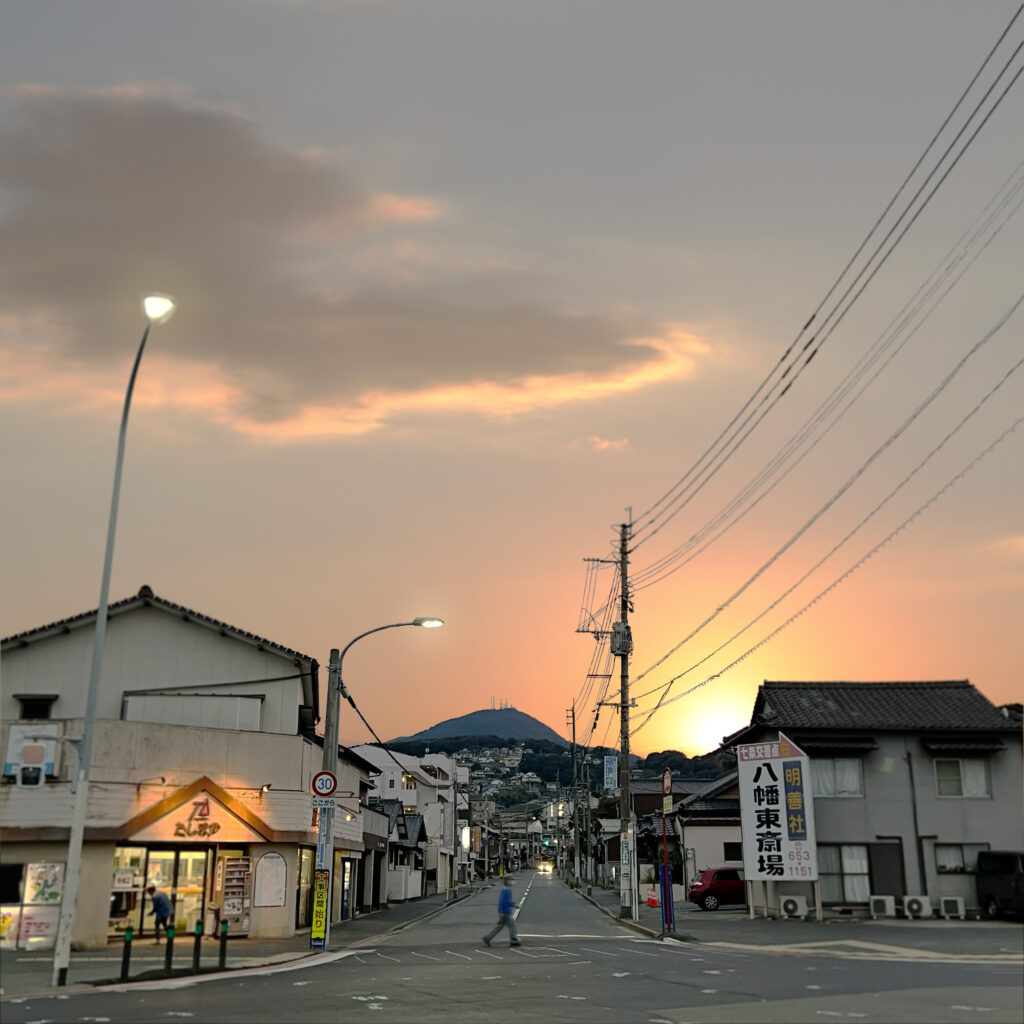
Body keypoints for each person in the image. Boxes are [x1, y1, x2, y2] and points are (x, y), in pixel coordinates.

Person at [482, 877, 520, 947]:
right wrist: (502, 911)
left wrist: (513, 905)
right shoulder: (506, 890)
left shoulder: (505, 889)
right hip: (506, 912)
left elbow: (506, 901)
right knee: (512, 926)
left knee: (499, 927)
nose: (513, 882)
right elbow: (503, 901)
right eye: (511, 880)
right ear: (507, 882)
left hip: (505, 912)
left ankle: (488, 938)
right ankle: (513, 940)